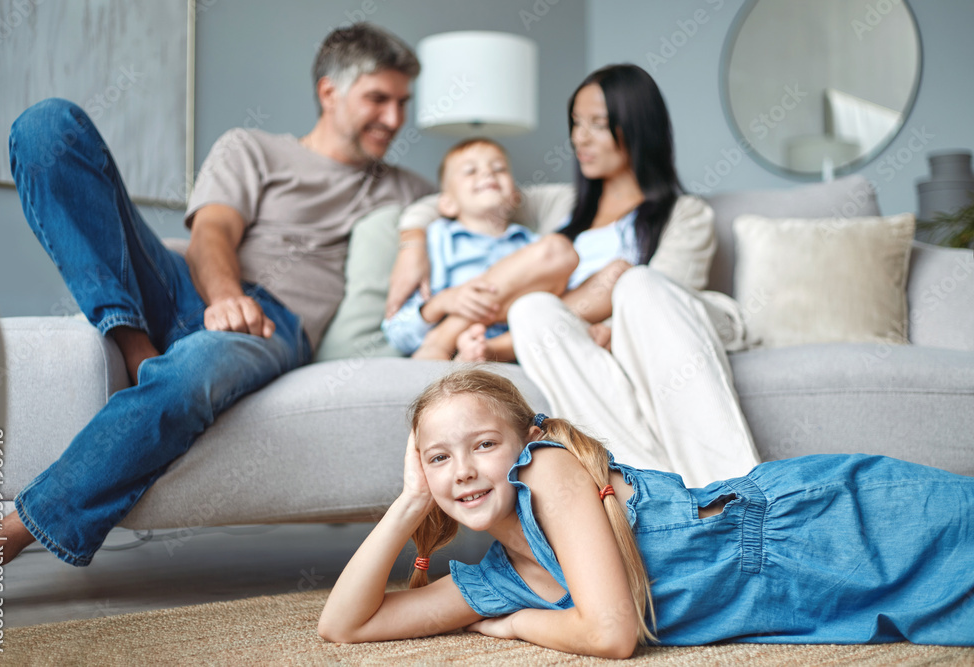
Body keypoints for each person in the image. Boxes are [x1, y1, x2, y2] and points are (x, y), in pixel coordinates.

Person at [0, 23, 434, 577]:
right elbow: (212, 232)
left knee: (190, 372)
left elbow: (480, 224)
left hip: (275, 324)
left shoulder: (406, 190)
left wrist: (418, 242)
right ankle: (132, 340)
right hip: (194, 285)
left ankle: (3, 538)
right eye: (378, 99)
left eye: (403, 102)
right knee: (47, 126)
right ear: (329, 92)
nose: (395, 119)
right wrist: (225, 295)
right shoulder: (254, 148)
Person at [318, 368, 974, 658]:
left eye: (484, 445)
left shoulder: (548, 469)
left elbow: (610, 633)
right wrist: (409, 503)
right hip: (809, 599)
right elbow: (343, 626)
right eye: (438, 457)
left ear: (526, 438)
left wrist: (518, 625)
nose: (461, 469)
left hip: (826, 519)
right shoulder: (494, 579)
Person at [386, 64, 759, 486]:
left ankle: (739, 496)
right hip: (569, 341)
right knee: (532, 309)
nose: (580, 138)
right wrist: (412, 244)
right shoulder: (557, 206)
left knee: (633, 282)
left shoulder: (684, 215)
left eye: (598, 125)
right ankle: (651, 497)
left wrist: (602, 321)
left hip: (631, 329)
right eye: (576, 123)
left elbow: (666, 310)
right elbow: (446, 199)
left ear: (638, 128)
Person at [381, 137, 575, 361]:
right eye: (470, 171)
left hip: (511, 349)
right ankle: (451, 343)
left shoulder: (533, 247)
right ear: (446, 204)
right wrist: (441, 302)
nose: (487, 174)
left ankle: (473, 347)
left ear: (515, 197)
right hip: (443, 353)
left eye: (499, 168)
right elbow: (396, 332)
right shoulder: (436, 242)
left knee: (555, 254)